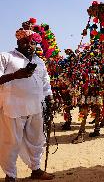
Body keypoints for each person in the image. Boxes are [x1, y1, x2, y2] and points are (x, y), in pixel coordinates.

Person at [0, 22, 55, 181]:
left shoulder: (39, 62)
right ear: (18, 42)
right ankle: (10, 175)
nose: (29, 45)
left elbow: (46, 83)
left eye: (32, 42)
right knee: (10, 143)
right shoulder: (6, 57)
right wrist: (15, 75)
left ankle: (36, 169)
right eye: (25, 41)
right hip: (13, 108)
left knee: (37, 140)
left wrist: (50, 100)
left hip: (36, 108)